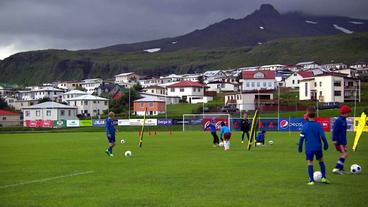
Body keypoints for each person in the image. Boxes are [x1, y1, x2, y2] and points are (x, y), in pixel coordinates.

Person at [298, 107, 330, 185]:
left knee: (310, 162)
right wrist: (326, 144)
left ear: (307, 115)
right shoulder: (318, 125)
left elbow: (301, 138)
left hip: (309, 148)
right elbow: (323, 136)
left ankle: (311, 180)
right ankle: (323, 178)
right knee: (321, 161)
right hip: (318, 147)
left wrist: (300, 147)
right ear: (315, 115)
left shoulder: (305, 126)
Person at [332, 105, 351, 174]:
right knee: (345, 154)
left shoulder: (343, 120)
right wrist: (334, 139)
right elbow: (334, 130)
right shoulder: (339, 120)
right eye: (349, 112)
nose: (349, 114)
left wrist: (345, 142)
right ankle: (336, 168)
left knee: (343, 154)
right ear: (345, 112)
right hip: (339, 141)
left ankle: (341, 169)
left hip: (342, 141)